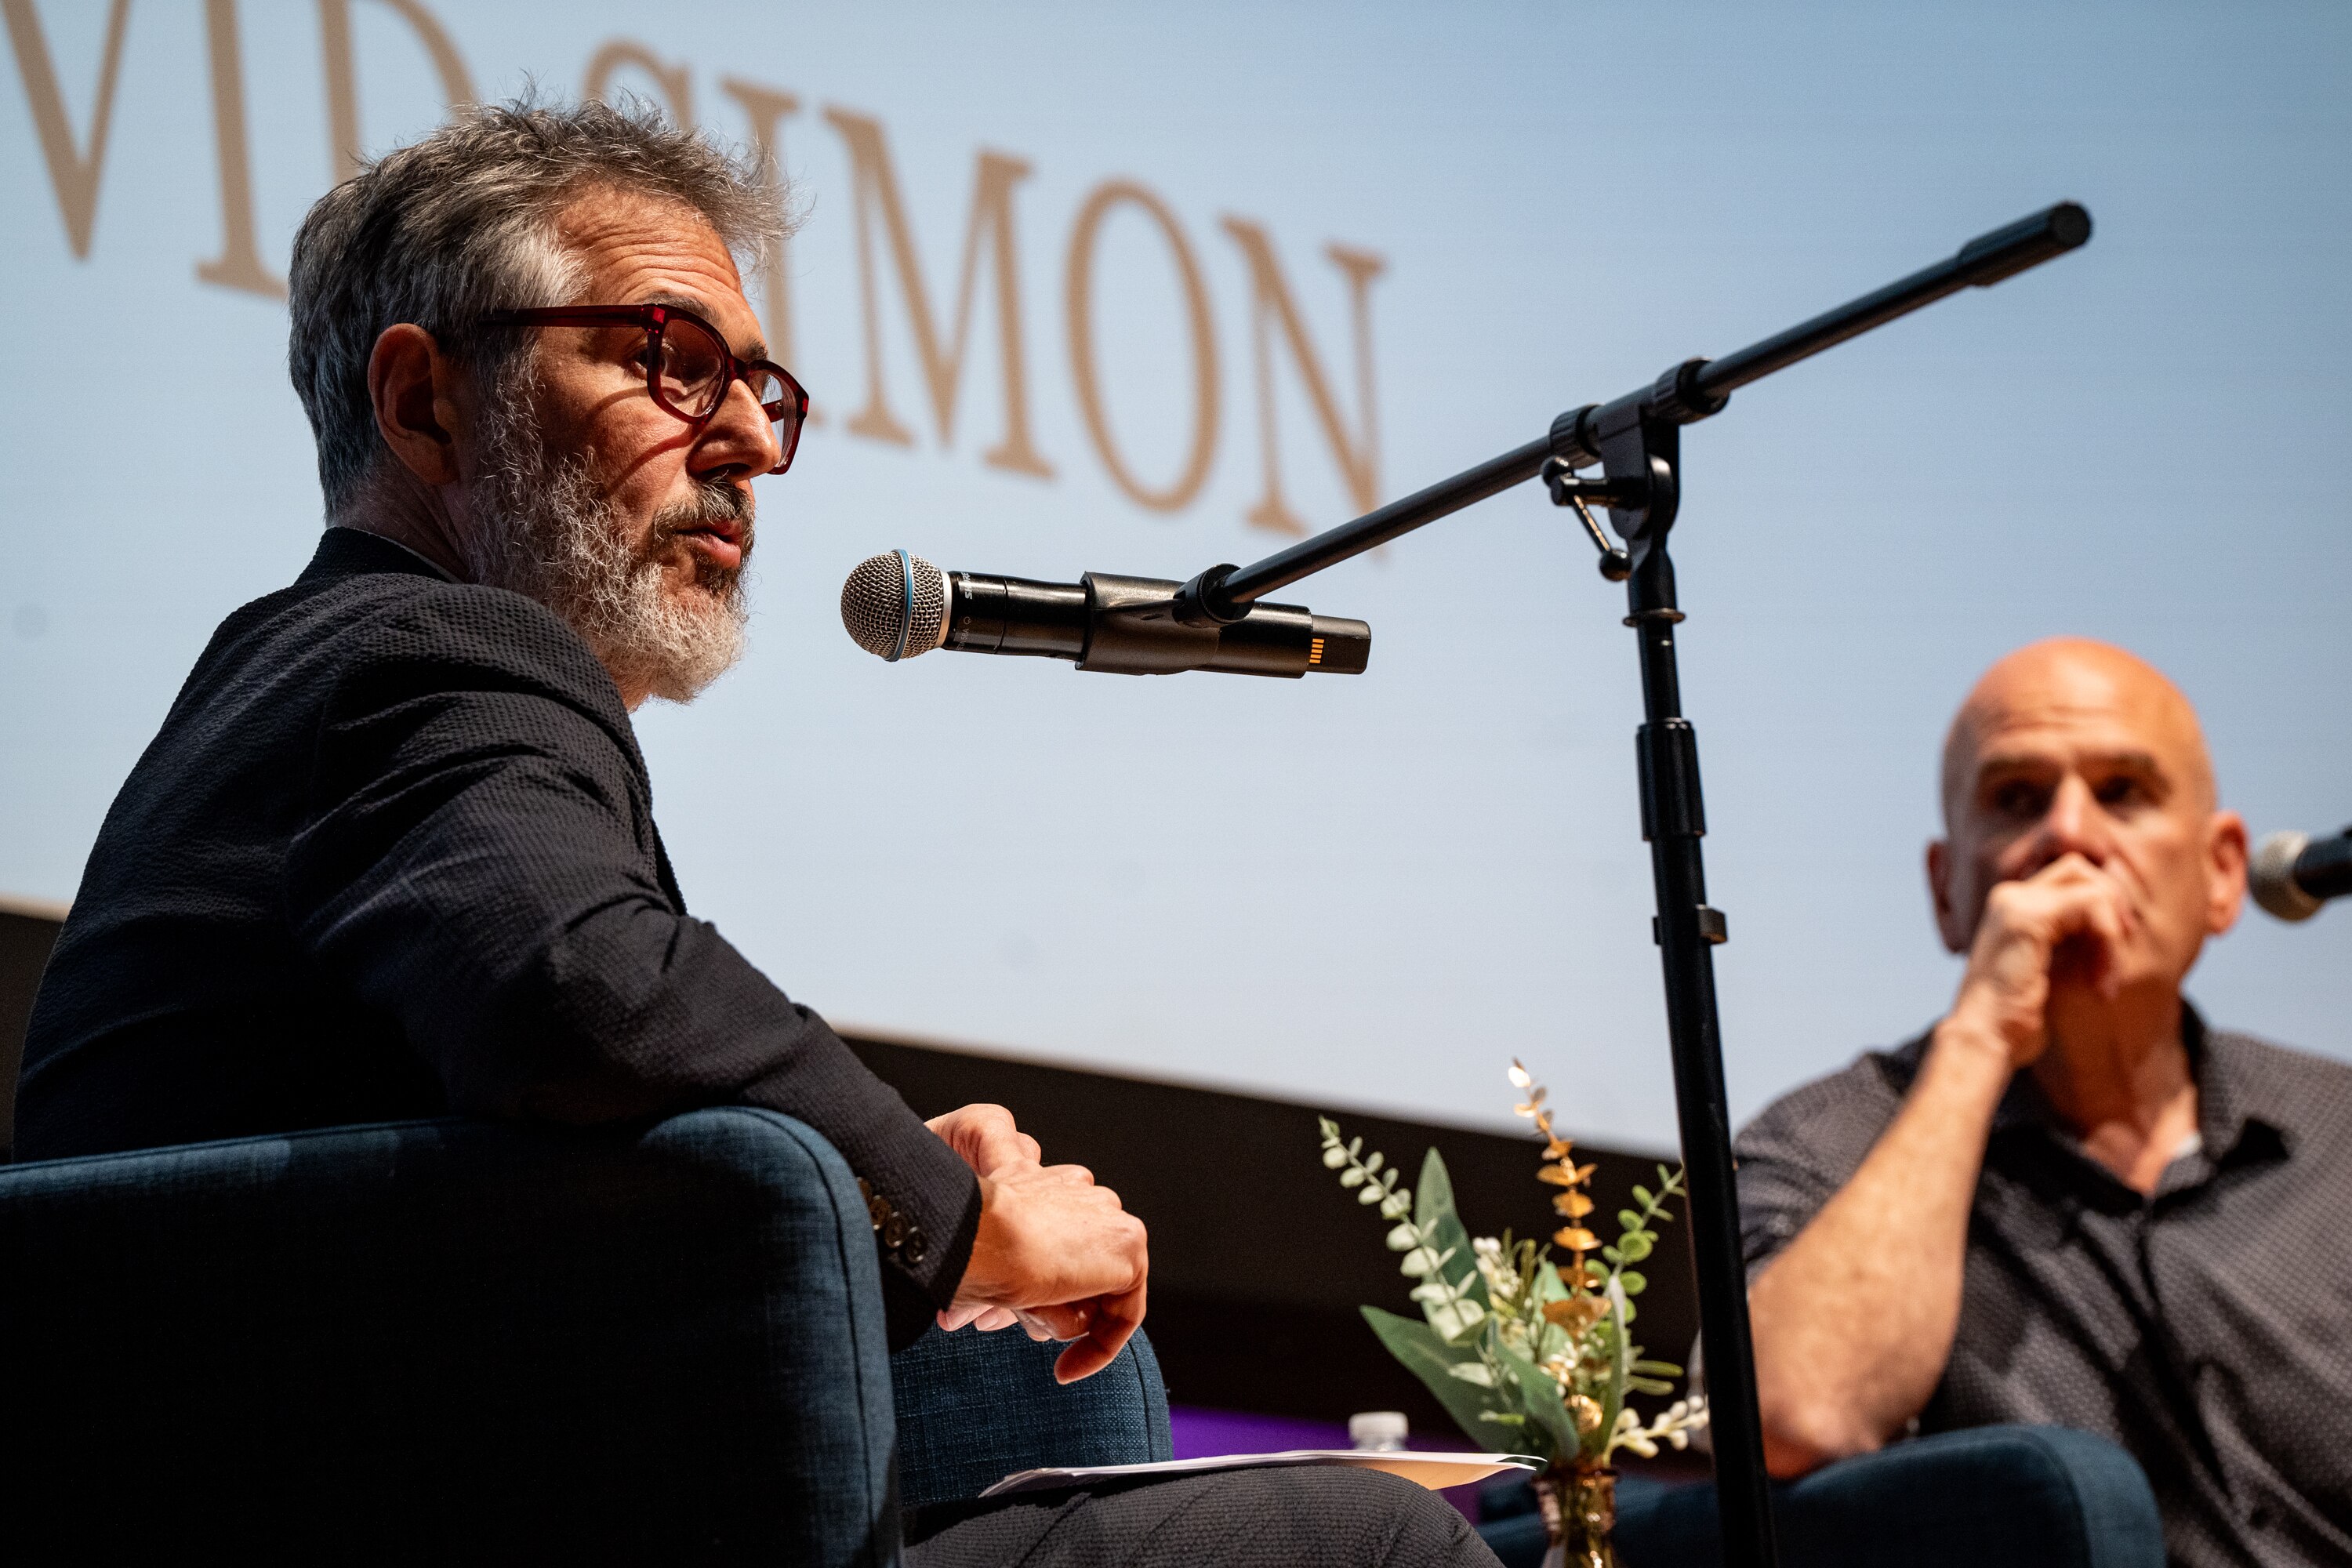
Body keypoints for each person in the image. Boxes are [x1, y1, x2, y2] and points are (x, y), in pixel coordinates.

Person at [14, 99, 1494, 1567]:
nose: (747, 444)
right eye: (669, 361)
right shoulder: (419, 652)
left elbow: (531, 1092)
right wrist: (954, 1212)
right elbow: (577, 992)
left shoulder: (321, 670)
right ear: (424, 401)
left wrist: (864, 1157)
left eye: (759, 387)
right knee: (1358, 1538)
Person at [1737, 637, 2352, 1568]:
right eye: (2016, 799)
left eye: (2123, 792)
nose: (2069, 833)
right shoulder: (1828, 1139)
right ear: (1947, 891)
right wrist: (1981, 1037)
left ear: (2224, 872)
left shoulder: (2338, 1124)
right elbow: (1794, 1414)